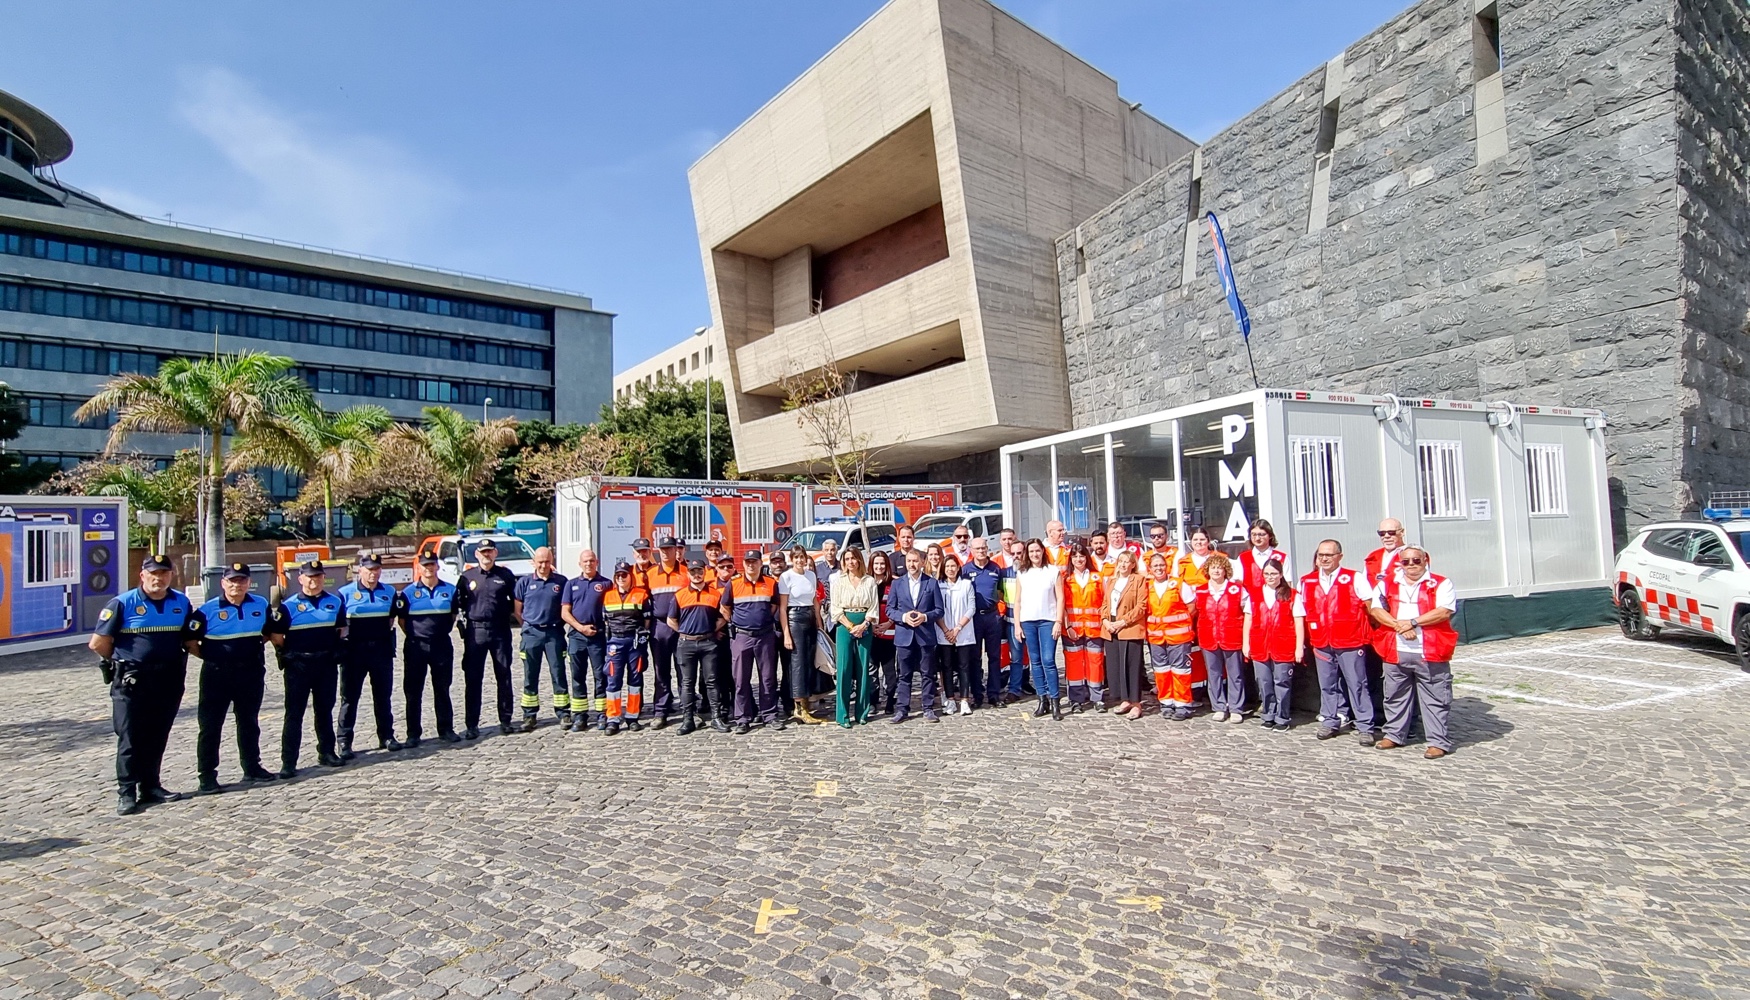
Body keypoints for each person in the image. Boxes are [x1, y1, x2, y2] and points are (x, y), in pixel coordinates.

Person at [92, 553, 199, 815]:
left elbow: (188, 639)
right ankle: (126, 792)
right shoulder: (122, 603)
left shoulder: (181, 602)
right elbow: (98, 643)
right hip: (132, 682)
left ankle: (151, 786)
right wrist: (122, 662)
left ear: (170, 576)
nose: (158, 579)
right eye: (153, 574)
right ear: (142, 575)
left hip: (167, 679)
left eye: (163, 574)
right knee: (130, 737)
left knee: (157, 734)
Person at [189, 562, 277, 793]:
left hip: (250, 673)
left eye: (242, 580)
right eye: (232, 580)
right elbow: (189, 641)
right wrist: (214, 656)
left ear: (249, 582)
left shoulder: (260, 604)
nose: (237, 585)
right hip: (217, 675)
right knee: (210, 726)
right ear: (223, 583)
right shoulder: (206, 610)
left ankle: (252, 767)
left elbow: (268, 632)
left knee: (249, 722)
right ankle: (207, 776)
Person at [1369, 545, 1457, 758]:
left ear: (1425, 560)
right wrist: (1400, 626)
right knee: (1395, 695)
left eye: (1416, 560)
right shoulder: (1387, 583)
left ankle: (1437, 741)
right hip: (1395, 649)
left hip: (1430, 650)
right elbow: (1376, 609)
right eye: (1406, 561)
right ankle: (1394, 734)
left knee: (1436, 697)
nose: (1411, 565)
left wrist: (1413, 623)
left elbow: (1444, 611)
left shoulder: (1441, 583)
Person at [267, 560, 348, 777]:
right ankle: (289, 761)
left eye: (318, 576)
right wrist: (291, 653)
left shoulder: (335, 602)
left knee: (324, 711)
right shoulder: (288, 606)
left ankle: (327, 752)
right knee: (294, 714)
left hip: (325, 664)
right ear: (300, 579)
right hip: (299, 666)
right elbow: (276, 635)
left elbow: (341, 629)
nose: (314, 581)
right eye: (310, 577)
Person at [1300, 539, 1381, 745]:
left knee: (1357, 684)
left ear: (1339, 557)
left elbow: (1370, 605)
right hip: (1321, 641)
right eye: (1321, 555)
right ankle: (1330, 720)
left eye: (1329, 555)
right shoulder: (1307, 581)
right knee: (1327, 684)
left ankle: (1365, 725)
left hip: (1350, 641)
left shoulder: (1354, 578)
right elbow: (1301, 611)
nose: (1324, 559)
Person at [337, 553, 401, 759]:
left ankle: (386, 736)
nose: (373, 574)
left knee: (383, 696)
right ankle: (344, 741)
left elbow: (391, 620)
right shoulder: (344, 593)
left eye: (376, 569)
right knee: (350, 698)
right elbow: (338, 627)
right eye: (369, 569)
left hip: (380, 651)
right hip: (354, 653)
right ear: (360, 570)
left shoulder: (389, 592)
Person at [458, 538, 518, 738]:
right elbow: (459, 604)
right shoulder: (467, 577)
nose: (486, 555)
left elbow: (516, 601)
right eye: (483, 552)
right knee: (473, 678)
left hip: (500, 630)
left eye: (490, 552)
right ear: (477, 554)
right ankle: (472, 724)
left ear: (495, 553)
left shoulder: (505, 575)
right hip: (476, 631)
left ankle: (506, 720)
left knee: (504, 675)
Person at [399, 554, 460, 745]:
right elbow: (402, 620)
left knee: (442, 688)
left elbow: (453, 615)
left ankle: (446, 729)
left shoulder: (449, 590)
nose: (429, 569)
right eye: (425, 565)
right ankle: (413, 733)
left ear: (437, 566)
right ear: (419, 568)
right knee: (413, 691)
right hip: (416, 645)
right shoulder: (408, 593)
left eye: (432, 565)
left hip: (441, 644)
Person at [723, 549, 783, 734]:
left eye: (754, 562)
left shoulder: (771, 583)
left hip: (765, 636)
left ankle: (770, 714)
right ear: (743, 564)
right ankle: (743, 718)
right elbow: (725, 608)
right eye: (748, 562)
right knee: (740, 679)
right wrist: (735, 623)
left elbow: (774, 606)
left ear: (760, 563)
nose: (751, 565)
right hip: (742, 636)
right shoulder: (733, 584)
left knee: (768, 678)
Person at [1188, 553, 1249, 724]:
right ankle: (1219, 706)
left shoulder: (1237, 590)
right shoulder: (1199, 590)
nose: (1216, 570)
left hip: (1232, 636)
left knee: (1234, 674)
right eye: (1212, 567)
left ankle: (1236, 707)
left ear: (1225, 570)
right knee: (1213, 674)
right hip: (1208, 637)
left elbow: (1247, 613)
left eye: (1219, 567)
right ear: (1207, 570)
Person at [514, 546, 570, 732]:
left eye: (547, 561)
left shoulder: (561, 582)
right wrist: (528, 627)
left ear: (551, 560)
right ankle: (529, 715)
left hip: (554, 634)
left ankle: (563, 712)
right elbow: (518, 610)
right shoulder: (524, 582)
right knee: (530, 675)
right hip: (531, 634)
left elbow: (566, 607)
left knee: (558, 673)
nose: (543, 565)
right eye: (540, 562)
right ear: (534, 562)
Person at [669, 557, 727, 734]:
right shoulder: (679, 595)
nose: (696, 574)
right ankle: (688, 719)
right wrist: (685, 632)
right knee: (687, 683)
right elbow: (671, 620)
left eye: (699, 571)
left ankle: (716, 717)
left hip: (709, 643)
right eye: (693, 572)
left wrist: (711, 629)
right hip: (686, 644)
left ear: (704, 572)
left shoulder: (716, 594)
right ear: (688, 574)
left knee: (712, 681)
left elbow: (724, 616)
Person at [887, 548, 943, 723]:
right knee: (904, 675)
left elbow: (939, 610)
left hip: (925, 635)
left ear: (921, 562)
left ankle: (928, 708)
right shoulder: (897, 584)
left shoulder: (931, 583)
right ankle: (902, 709)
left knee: (928, 673)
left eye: (915, 561)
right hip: (904, 636)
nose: (912, 564)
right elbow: (890, 609)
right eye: (909, 561)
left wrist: (924, 617)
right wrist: (903, 617)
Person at [1249, 559, 1304, 731]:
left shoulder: (1293, 594)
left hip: (1284, 645)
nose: (1270, 577)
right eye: (1266, 573)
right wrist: (1246, 644)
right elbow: (1248, 620)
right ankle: (1268, 714)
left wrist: (1299, 647)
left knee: (1282, 681)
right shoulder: (1255, 594)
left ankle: (1283, 716)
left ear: (1280, 574)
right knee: (1264, 682)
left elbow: (1299, 622)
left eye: (1273, 573)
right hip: (1260, 645)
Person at [560, 549, 611, 732]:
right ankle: (580, 716)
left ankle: (602, 714)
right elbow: (565, 612)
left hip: (597, 636)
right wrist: (580, 628)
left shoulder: (606, 583)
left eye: (591, 561)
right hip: (577, 636)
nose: (588, 564)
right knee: (577, 676)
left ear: (596, 562)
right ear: (579, 564)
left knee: (600, 676)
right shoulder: (571, 584)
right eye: (585, 561)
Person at [1143, 551, 1197, 720]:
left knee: (1180, 671)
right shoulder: (1147, 587)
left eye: (1161, 565)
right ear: (1149, 569)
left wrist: (1180, 625)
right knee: (1161, 671)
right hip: (1156, 637)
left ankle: (1183, 705)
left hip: (1179, 637)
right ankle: (1166, 702)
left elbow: (1191, 607)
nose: (1159, 568)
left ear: (1166, 567)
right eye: (1155, 566)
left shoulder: (1179, 584)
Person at [1015, 539, 1065, 720]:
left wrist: (1058, 621)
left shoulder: (1053, 571)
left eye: (1037, 551)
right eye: (1031, 551)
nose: (1035, 554)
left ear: (1043, 551)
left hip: (1048, 621)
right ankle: (1042, 698)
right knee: (1035, 661)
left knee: (1048, 660)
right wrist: (1017, 625)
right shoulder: (1022, 572)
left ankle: (1055, 700)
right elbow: (1018, 600)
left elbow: (1060, 598)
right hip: (1028, 621)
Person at [643, 536, 689, 728]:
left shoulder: (686, 572)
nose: (665, 552)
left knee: (683, 670)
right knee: (660, 671)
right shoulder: (650, 573)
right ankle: (660, 711)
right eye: (662, 549)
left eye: (669, 549)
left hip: (681, 626)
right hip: (659, 626)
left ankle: (687, 711)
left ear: (675, 550)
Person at [829, 547, 878, 727]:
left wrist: (863, 625)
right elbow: (835, 609)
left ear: (859, 560)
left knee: (863, 668)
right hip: (844, 625)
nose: (850, 562)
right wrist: (851, 626)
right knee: (844, 669)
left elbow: (873, 607)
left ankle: (862, 712)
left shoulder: (869, 581)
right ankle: (842, 715)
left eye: (853, 558)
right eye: (847, 559)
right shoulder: (839, 582)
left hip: (864, 624)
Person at [601, 560, 652, 734]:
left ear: (631, 576)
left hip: (634, 643)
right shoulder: (607, 596)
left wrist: (644, 634)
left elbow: (647, 618)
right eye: (618, 575)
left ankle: (632, 716)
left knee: (635, 680)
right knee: (613, 680)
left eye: (624, 574)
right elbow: (605, 621)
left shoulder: (641, 594)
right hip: (615, 642)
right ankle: (613, 718)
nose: (621, 578)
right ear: (615, 578)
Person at [778, 542, 826, 725]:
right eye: (796, 557)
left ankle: (807, 701)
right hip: (794, 618)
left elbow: (814, 600)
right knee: (797, 663)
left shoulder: (811, 575)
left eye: (802, 557)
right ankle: (799, 707)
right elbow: (783, 608)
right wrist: (787, 634)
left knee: (809, 661)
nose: (800, 560)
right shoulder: (786, 577)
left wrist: (819, 623)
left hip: (809, 617)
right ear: (792, 559)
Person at [1061, 542, 1106, 712]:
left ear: (1087, 557)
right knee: (1074, 664)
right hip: (1072, 629)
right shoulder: (1065, 578)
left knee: (1095, 663)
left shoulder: (1098, 577)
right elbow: (1062, 604)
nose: (1078, 559)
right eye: (1075, 556)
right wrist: (1068, 625)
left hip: (1095, 628)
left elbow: (1105, 602)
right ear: (1070, 559)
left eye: (1081, 556)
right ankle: (1076, 699)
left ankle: (1097, 697)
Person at [1103, 550, 1148, 719]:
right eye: (1120, 561)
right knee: (1116, 666)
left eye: (1126, 561)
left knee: (1132, 666)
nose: (1122, 564)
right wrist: (1105, 621)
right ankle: (1124, 699)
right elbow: (1105, 604)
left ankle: (1136, 703)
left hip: (1129, 627)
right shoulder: (1112, 581)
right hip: (1111, 627)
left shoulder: (1138, 580)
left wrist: (1123, 622)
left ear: (1132, 565)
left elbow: (1141, 606)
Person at [962, 538, 1006, 708]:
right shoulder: (965, 570)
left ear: (988, 549)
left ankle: (994, 694)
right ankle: (977, 694)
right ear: (971, 550)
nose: (981, 551)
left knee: (995, 657)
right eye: (977, 548)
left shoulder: (995, 568)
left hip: (992, 616)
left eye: (983, 548)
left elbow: (1002, 591)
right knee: (975, 657)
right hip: (974, 618)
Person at [937, 553, 978, 716]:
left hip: (963, 632)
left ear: (958, 567)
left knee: (964, 667)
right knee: (946, 667)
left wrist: (958, 628)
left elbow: (971, 608)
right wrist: (947, 630)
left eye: (953, 566)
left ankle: (964, 700)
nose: (950, 569)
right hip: (943, 632)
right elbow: (937, 610)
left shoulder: (967, 584)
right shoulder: (938, 585)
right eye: (947, 566)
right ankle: (950, 700)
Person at [869, 551, 899, 716]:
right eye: (876, 564)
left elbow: (899, 607)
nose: (879, 567)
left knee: (889, 671)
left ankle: (889, 701)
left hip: (889, 633)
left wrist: (889, 622)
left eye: (882, 564)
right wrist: (871, 625)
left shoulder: (894, 583)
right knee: (871, 671)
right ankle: (873, 701)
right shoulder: (866, 582)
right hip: (871, 633)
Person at [1237, 520, 1291, 605]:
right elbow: (1239, 582)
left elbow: (1288, 583)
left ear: (1270, 536)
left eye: (1261, 534)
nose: (1257, 538)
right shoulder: (1243, 557)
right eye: (1253, 534)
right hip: (1250, 604)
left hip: (1276, 604)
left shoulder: (1282, 557)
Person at [1365, 518, 1408, 593]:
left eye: (1391, 532)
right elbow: (1364, 584)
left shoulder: (1413, 555)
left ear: (1402, 532)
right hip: (1375, 602)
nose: (1386, 536)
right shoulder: (1373, 556)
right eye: (1382, 533)